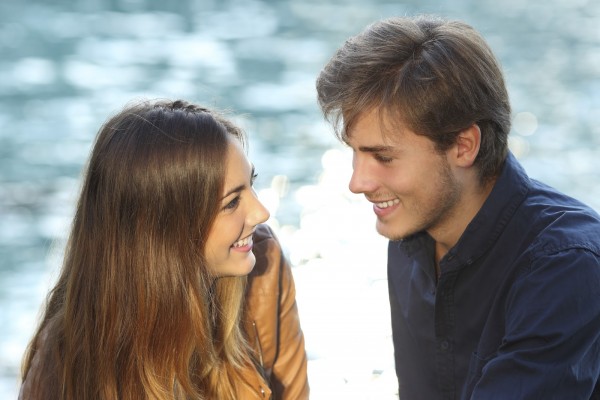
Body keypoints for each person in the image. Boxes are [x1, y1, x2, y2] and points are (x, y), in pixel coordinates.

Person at [316, 14, 600, 399]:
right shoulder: (408, 239)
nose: (357, 183)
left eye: (383, 157)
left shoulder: (565, 265)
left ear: (464, 146)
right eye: (355, 153)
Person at [19, 99, 309, 400]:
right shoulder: (68, 360)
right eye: (232, 202)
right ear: (166, 233)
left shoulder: (264, 265)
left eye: (252, 184)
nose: (261, 213)